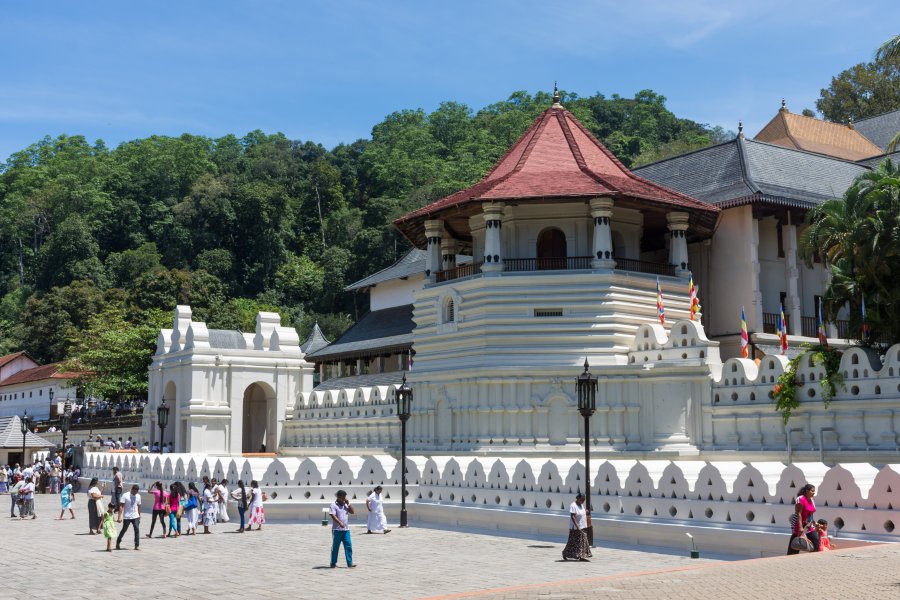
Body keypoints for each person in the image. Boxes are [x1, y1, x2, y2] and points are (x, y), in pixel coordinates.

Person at [788, 484, 819, 554]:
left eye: (814, 491)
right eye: (812, 491)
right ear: (807, 491)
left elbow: (811, 514)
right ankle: (790, 559)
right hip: (799, 525)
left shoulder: (812, 500)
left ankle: (816, 558)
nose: (814, 493)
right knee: (796, 544)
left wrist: (814, 523)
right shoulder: (800, 499)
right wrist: (800, 527)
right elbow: (799, 513)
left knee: (816, 540)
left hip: (809, 525)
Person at [329, 490, 355, 568]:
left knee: (348, 546)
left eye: (345, 497)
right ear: (338, 497)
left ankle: (349, 563)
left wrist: (348, 504)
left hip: (346, 530)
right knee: (335, 547)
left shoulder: (345, 504)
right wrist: (339, 522)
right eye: (343, 497)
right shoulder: (333, 505)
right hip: (337, 530)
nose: (344, 499)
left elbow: (352, 512)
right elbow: (333, 515)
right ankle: (333, 563)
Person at [562, 493, 591, 561]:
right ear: (578, 498)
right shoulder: (573, 505)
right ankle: (566, 553)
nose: (583, 501)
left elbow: (581, 512)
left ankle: (582, 555)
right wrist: (577, 526)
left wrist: (585, 511)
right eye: (582, 499)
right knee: (573, 542)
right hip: (575, 528)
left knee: (582, 541)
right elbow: (573, 516)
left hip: (583, 526)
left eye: (584, 500)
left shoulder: (581, 505)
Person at [116, 484, 141, 550]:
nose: (135, 493)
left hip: (135, 516)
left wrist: (139, 516)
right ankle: (118, 542)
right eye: (134, 491)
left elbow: (139, 506)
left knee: (137, 529)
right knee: (124, 530)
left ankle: (137, 545)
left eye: (136, 492)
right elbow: (121, 506)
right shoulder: (125, 495)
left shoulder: (138, 496)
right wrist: (119, 517)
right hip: (127, 516)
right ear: (132, 489)